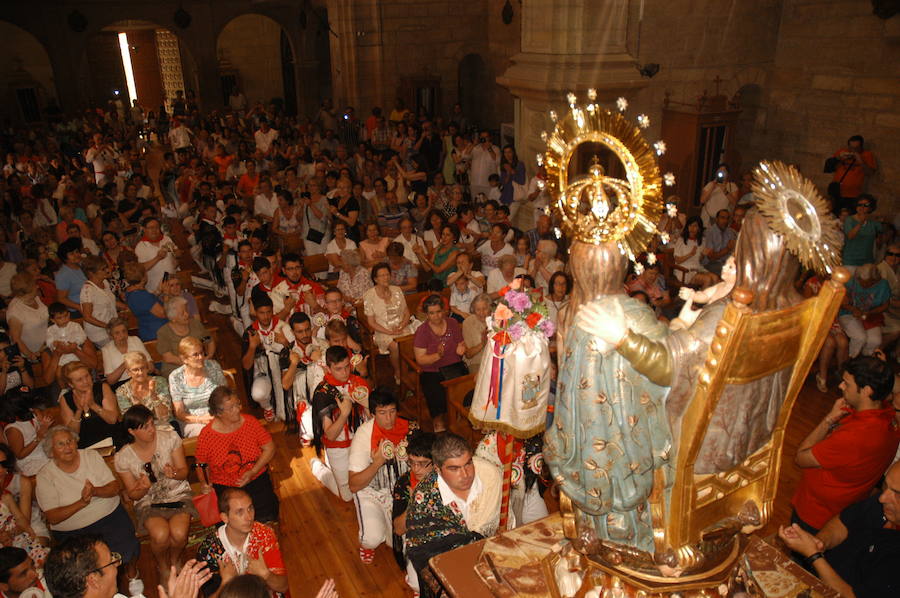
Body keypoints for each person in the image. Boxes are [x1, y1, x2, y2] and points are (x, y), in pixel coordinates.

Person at [791, 356, 900, 533]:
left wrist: (828, 420)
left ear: (866, 391)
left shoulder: (856, 436)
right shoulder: (889, 417)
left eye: (846, 383)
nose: (841, 386)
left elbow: (800, 458)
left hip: (816, 514)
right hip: (846, 507)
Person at [778, 459, 900, 598]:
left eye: (897, 493)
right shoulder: (885, 504)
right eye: (885, 485)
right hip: (818, 578)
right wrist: (819, 542)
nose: (883, 498)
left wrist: (813, 555)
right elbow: (843, 522)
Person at [405, 433, 501, 597]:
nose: (465, 474)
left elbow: (495, 524)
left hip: (492, 556)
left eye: (468, 464)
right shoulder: (424, 499)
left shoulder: (489, 475)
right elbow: (423, 550)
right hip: (453, 568)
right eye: (454, 468)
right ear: (438, 469)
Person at [35, 428, 140, 578]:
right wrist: (81, 503)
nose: (68, 447)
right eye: (61, 444)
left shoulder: (90, 456)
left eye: (70, 441)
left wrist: (95, 491)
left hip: (109, 517)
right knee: (86, 566)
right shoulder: (45, 476)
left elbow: (114, 487)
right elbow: (52, 517)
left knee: (127, 546)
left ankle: (131, 574)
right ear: (51, 450)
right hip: (73, 532)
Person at [114, 406, 194, 581]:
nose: (152, 430)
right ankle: (162, 564)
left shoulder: (170, 438)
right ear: (132, 431)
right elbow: (133, 495)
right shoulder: (123, 457)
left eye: (152, 424)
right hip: (148, 501)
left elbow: (183, 472)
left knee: (179, 534)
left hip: (177, 493)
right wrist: (142, 487)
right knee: (160, 535)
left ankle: (175, 559)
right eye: (145, 427)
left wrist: (173, 473)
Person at [348, 389, 418, 564]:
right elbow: (354, 485)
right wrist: (377, 462)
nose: (389, 419)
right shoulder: (363, 436)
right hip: (371, 491)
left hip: (401, 493)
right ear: (372, 414)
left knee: (405, 546)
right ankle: (366, 543)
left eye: (392, 411)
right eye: (382, 413)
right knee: (372, 538)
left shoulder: (409, 428)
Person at [195, 387, 279, 523]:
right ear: (218, 413)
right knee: (232, 524)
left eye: (237, 404)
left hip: (255, 480)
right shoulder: (207, 435)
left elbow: (270, 448)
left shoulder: (250, 422)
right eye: (231, 407)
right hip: (225, 488)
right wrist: (204, 483)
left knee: (264, 518)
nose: (238, 409)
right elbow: (201, 463)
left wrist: (253, 471)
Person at [195, 488, 288, 598]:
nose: (249, 517)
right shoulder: (209, 551)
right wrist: (226, 583)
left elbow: (284, 587)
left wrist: (266, 575)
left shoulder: (264, 535)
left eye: (250, 508)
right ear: (225, 517)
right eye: (240, 512)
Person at [311, 346, 371, 502]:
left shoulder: (358, 382)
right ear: (328, 369)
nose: (345, 373)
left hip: (361, 442)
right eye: (338, 369)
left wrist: (367, 405)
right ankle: (319, 470)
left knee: (366, 485)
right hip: (339, 447)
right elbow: (330, 435)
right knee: (347, 496)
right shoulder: (323, 393)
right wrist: (344, 414)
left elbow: (373, 420)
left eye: (347, 367)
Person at [413, 294, 467, 432]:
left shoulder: (453, 323)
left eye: (438, 312)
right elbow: (420, 359)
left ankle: (461, 417)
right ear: (427, 314)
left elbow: (460, 344)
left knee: (466, 388)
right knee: (435, 392)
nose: (436, 316)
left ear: (443, 311)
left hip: (454, 366)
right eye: (431, 313)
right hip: (433, 370)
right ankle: (438, 421)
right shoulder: (422, 331)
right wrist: (438, 355)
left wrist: (461, 349)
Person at [241, 294, 293, 422]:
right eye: (261, 313)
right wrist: (253, 346)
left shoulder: (283, 327)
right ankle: (268, 406)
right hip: (263, 373)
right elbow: (246, 365)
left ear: (272, 310)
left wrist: (286, 343)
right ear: (256, 313)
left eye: (268, 312)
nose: (265, 316)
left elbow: (297, 354)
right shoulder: (251, 332)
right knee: (258, 394)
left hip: (283, 373)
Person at [362, 264, 417, 382]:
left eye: (387, 274)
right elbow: (371, 322)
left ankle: (407, 369)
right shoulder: (369, 295)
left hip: (401, 327)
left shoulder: (397, 290)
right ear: (375, 279)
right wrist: (389, 331)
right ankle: (398, 371)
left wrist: (402, 325)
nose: (386, 278)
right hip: (382, 331)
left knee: (411, 342)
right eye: (382, 275)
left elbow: (407, 313)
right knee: (395, 345)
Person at [168, 337, 228, 438]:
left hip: (218, 414)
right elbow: (180, 413)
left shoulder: (213, 366)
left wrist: (219, 416)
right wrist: (201, 419)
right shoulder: (176, 377)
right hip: (192, 421)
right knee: (209, 434)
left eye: (202, 353)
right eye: (195, 355)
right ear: (184, 359)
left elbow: (226, 397)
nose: (200, 357)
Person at [58, 362, 120, 450]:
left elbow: (112, 419)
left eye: (87, 376)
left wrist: (93, 405)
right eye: (79, 380)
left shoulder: (102, 388)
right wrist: (79, 411)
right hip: (86, 447)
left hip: (112, 440)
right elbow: (72, 434)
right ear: (71, 384)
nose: (85, 381)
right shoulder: (65, 399)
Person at [838, 264, 891, 358]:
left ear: (875, 280)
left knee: (875, 341)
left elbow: (885, 305)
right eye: (860, 282)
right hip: (848, 314)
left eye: (867, 283)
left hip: (870, 316)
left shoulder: (883, 285)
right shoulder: (851, 281)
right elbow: (841, 301)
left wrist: (870, 312)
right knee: (860, 337)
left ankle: (864, 362)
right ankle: (850, 361)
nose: (863, 285)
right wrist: (853, 309)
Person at [157, 297, 214, 378]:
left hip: (200, 363)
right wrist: (192, 363)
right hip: (176, 368)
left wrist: (209, 356)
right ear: (173, 318)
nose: (187, 314)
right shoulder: (163, 332)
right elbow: (168, 358)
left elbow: (209, 340)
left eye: (186, 311)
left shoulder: (195, 324)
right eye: (182, 313)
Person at [115, 352, 174, 429]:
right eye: (135, 370)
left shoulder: (160, 382)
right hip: (140, 430)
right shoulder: (122, 391)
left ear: (147, 368)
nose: (140, 373)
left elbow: (165, 416)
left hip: (164, 425)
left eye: (142, 368)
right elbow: (130, 422)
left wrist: (153, 395)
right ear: (128, 372)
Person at [5, 273, 49, 362]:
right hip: (33, 355)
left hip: (46, 347)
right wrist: (31, 355)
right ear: (27, 291)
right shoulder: (15, 311)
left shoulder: (36, 297)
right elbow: (16, 339)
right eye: (34, 285)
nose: (37, 286)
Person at [100, 319, 153, 386]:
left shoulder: (135, 340)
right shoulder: (106, 350)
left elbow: (151, 367)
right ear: (111, 336)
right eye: (117, 333)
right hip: (122, 384)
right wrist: (126, 363)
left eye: (124, 331)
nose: (122, 335)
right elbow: (110, 380)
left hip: (142, 377)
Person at [829, 135, 877, 209]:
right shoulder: (842, 152)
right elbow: (830, 168)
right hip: (837, 192)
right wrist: (839, 158)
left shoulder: (867, 155)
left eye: (856, 148)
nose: (853, 150)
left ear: (861, 147)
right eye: (851, 147)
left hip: (854, 195)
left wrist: (860, 160)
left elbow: (870, 173)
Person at [123, 262, 167, 342]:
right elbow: (163, 313)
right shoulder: (141, 295)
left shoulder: (131, 291)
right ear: (143, 278)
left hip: (149, 330)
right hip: (157, 333)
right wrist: (166, 294)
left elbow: (148, 303)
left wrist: (159, 291)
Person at [134, 217, 178, 294]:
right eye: (151, 228)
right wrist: (158, 258)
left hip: (173, 285)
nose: (154, 230)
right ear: (144, 229)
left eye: (157, 227)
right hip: (155, 289)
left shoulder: (166, 238)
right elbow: (141, 268)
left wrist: (177, 256)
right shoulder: (140, 246)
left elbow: (176, 253)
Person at [673, 216, 717, 288]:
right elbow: (677, 261)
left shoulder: (702, 240)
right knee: (707, 280)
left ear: (699, 228)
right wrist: (690, 254)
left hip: (697, 268)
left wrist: (703, 254)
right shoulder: (681, 240)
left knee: (715, 278)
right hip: (684, 270)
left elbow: (699, 260)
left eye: (695, 226)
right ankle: (700, 298)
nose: (692, 228)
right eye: (690, 225)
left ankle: (708, 298)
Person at [842, 196, 883, 273]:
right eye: (859, 204)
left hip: (867, 261)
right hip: (851, 260)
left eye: (865, 205)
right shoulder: (849, 220)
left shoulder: (873, 222)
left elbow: (880, 241)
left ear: (870, 208)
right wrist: (860, 222)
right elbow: (850, 236)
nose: (862, 207)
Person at [461, 294, 492, 375]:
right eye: (478, 309)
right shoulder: (468, 323)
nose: (481, 313)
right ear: (473, 310)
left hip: (496, 359)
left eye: (484, 309)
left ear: (490, 308)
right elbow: (468, 354)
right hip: (477, 362)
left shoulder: (496, 318)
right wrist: (482, 344)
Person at [54, 238, 87, 315]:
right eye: (72, 254)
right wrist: (79, 307)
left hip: (89, 304)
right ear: (64, 258)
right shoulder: (63, 275)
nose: (76, 255)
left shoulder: (82, 265)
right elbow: (61, 298)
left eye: (77, 252)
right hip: (77, 311)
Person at [701, 209, 736, 277]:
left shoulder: (730, 232)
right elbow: (711, 257)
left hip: (726, 262)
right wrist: (727, 249)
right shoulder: (709, 232)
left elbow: (733, 252)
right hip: (711, 263)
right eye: (722, 218)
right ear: (717, 219)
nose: (725, 221)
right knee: (729, 274)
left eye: (727, 218)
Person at [469, 131, 500, 200]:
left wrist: (489, 148)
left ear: (489, 138)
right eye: (482, 137)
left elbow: (497, 161)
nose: (484, 139)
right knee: (475, 204)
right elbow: (465, 156)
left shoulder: (495, 149)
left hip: (488, 184)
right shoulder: (475, 148)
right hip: (475, 183)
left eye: (485, 137)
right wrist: (473, 144)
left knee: (488, 206)